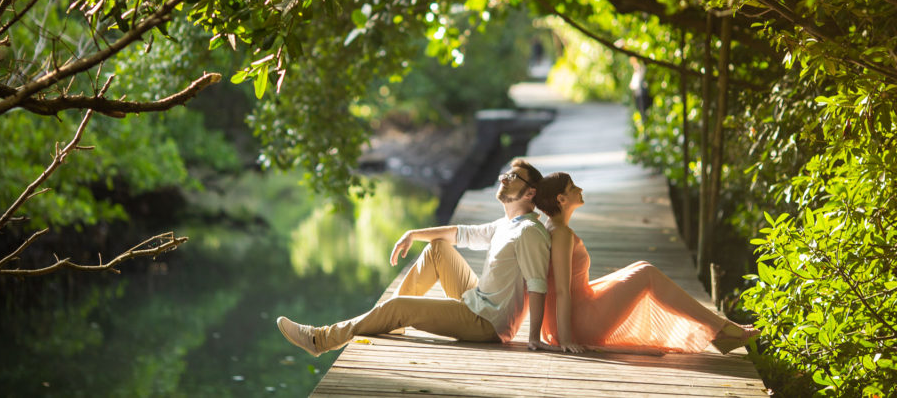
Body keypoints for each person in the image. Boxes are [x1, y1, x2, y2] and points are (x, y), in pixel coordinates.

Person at [276, 159, 552, 356]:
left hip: (488, 324)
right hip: (478, 302)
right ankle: (392, 325)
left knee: (397, 305)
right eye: (506, 173)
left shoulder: (528, 231)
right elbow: (462, 233)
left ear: (530, 193)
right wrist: (413, 233)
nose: (504, 179)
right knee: (437, 248)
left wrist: (533, 338)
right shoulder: (507, 224)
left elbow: (537, 284)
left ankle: (321, 339)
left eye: (513, 177)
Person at [529, 172, 759, 355]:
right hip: (578, 322)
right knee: (647, 273)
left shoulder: (556, 229)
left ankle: (719, 327)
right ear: (561, 199)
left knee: (640, 266)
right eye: (573, 187)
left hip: (576, 312)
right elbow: (560, 290)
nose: (580, 189)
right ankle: (721, 328)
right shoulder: (561, 234)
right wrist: (567, 339)